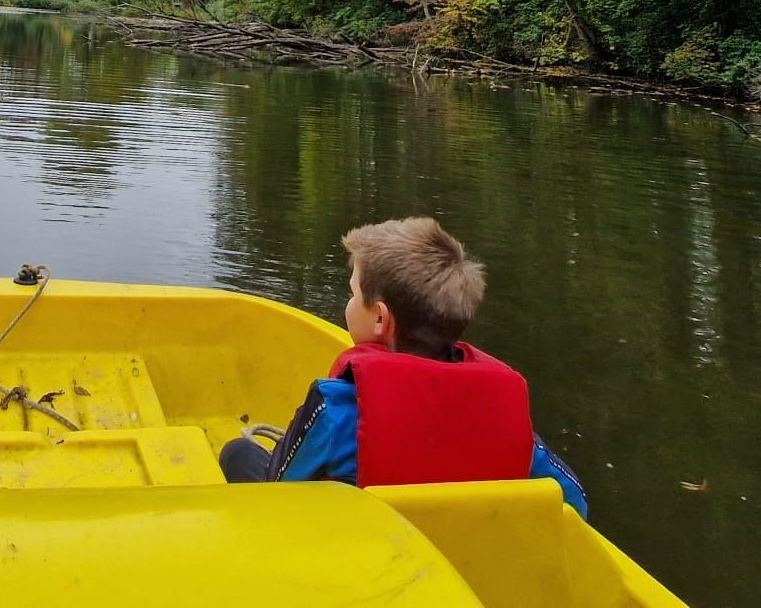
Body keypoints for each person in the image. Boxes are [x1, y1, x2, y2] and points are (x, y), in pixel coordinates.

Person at [219, 218, 586, 515]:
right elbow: (574, 502)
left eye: (352, 293)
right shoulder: (501, 414)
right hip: (454, 558)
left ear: (380, 319)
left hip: (362, 549)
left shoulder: (336, 409)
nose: (348, 302)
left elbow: (280, 489)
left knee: (238, 453)